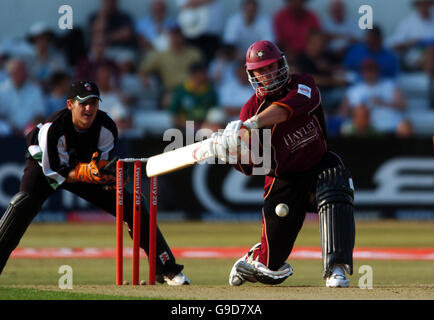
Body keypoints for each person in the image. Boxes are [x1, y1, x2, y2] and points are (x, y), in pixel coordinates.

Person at [0, 80, 189, 286]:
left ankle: (165, 269)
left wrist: (109, 176)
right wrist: (85, 171)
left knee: (132, 204)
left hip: (84, 169)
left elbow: (102, 165)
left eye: (94, 103)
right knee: (23, 204)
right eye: (83, 103)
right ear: (70, 104)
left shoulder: (106, 127)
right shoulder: (53, 129)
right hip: (44, 166)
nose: (89, 108)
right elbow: (54, 172)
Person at [206, 40, 355, 287]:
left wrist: (250, 125)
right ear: (251, 74)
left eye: (270, 67)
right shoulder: (249, 109)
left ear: (281, 64)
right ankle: (257, 256)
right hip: (283, 178)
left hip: (319, 163)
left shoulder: (304, 84)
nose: (267, 74)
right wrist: (230, 151)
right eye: (260, 70)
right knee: (270, 266)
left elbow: (285, 110)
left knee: (336, 186)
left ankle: (335, 269)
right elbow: (253, 165)